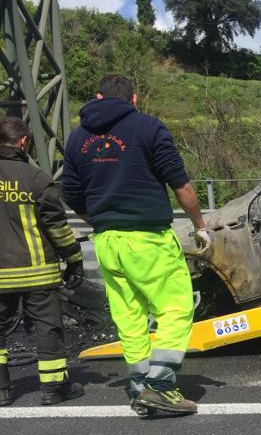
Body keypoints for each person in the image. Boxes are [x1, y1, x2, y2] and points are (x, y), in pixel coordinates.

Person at [62, 75, 212, 417]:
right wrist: (201, 227)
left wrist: (100, 221)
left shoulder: (77, 137)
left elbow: (69, 192)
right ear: (135, 98)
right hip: (148, 239)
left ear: (98, 96)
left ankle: (140, 387)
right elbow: (181, 184)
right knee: (175, 309)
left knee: (129, 318)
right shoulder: (148, 127)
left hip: (108, 241)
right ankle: (160, 386)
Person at [0, 117, 86, 407]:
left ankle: (1, 390)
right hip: (37, 273)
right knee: (47, 327)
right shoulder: (35, 178)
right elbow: (56, 227)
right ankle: (53, 388)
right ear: (24, 141)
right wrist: (74, 259)